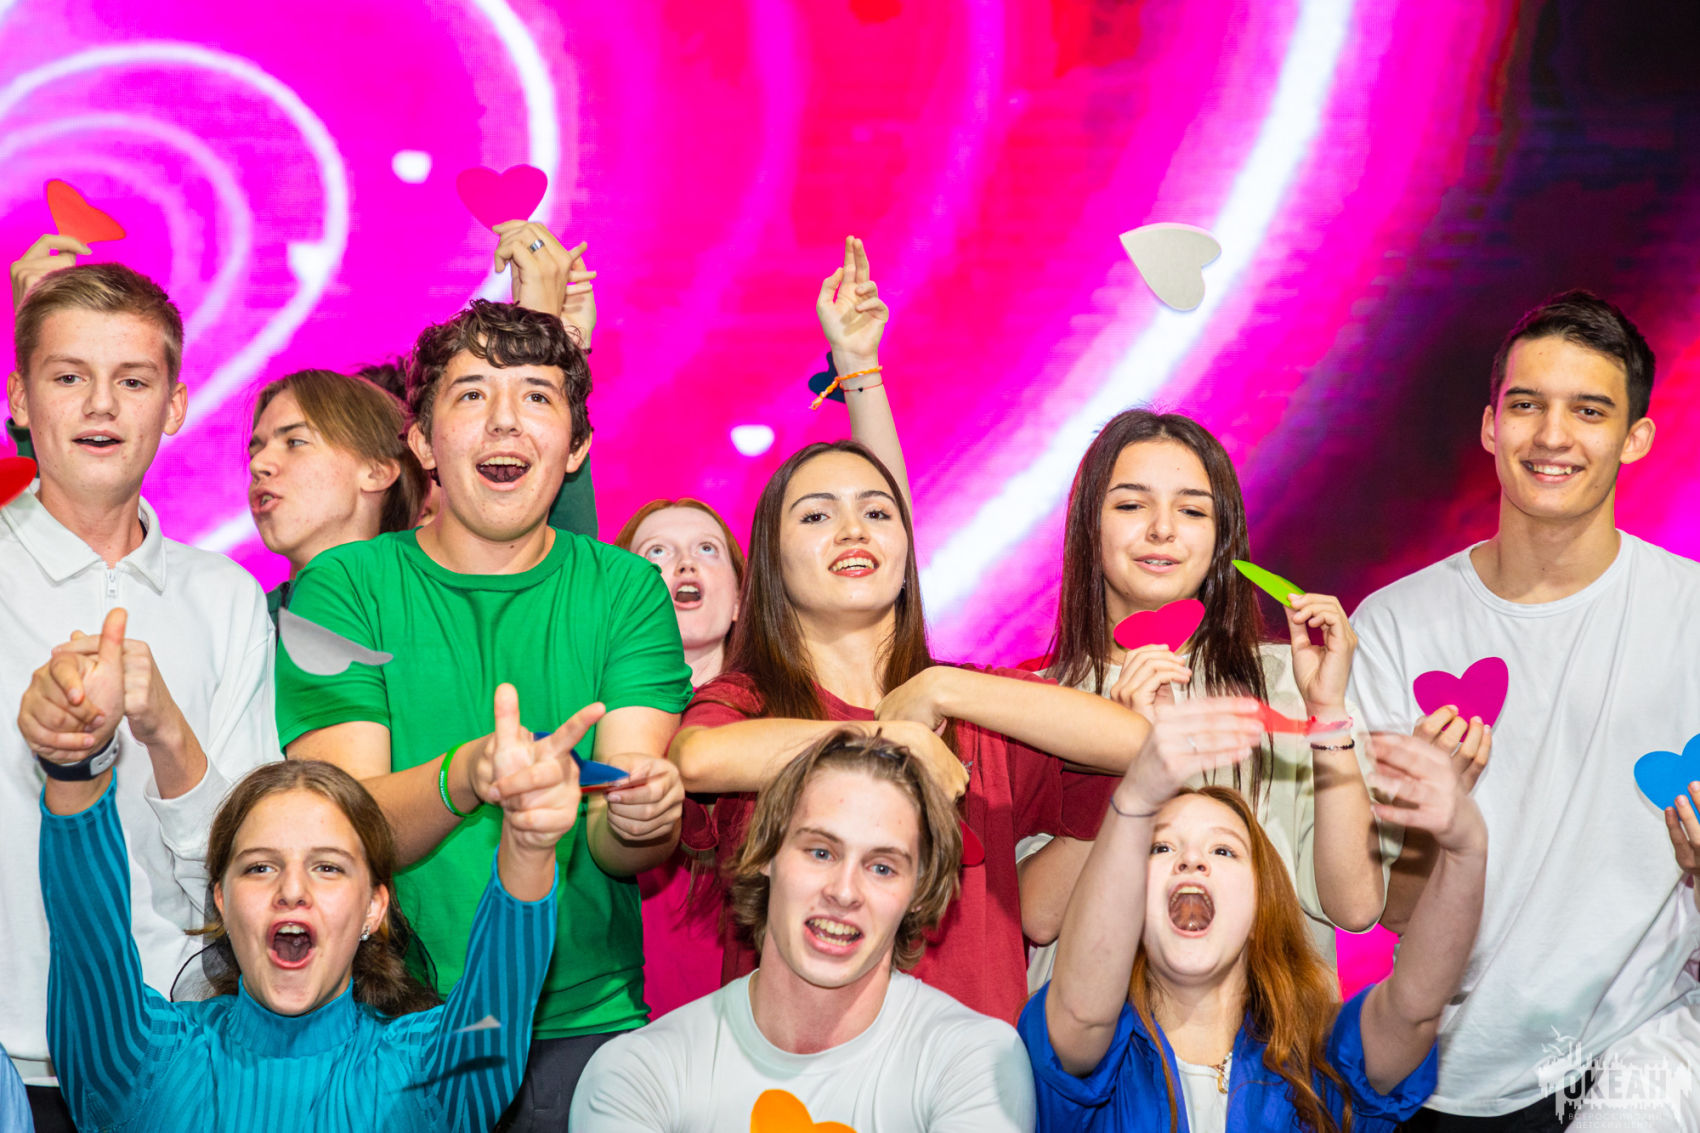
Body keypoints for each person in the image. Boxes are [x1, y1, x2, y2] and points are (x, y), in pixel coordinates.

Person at [275, 298, 692, 1128]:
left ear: (575, 447)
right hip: (388, 1021)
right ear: (423, 443)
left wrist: (645, 814)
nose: (505, 419)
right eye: (472, 395)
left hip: (580, 1025)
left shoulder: (627, 590)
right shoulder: (342, 588)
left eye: (536, 395)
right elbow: (344, 831)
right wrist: (467, 774)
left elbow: (620, 840)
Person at [1350, 291, 1700, 1129]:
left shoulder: (1688, 614)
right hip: (1443, 1058)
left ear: (1636, 437)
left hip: (1639, 1039)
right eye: (1527, 405)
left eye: (1589, 410)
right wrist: (1434, 821)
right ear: (1489, 425)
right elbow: (1390, 909)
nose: (1552, 435)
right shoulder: (1395, 627)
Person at [41, 675, 584, 1132]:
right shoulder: (147, 1062)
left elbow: (498, 1004)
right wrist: (73, 765)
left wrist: (529, 845)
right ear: (222, 902)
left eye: (327, 867)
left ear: (373, 908)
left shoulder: (427, 1073)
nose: (292, 889)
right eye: (260, 867)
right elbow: (87, 943)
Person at [5, 248, 278, 1131]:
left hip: (175, 1052)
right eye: (68, 377)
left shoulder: (225, 597)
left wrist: (167, 734)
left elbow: (252, 866)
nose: (100, 404)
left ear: (175, 405)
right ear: (19, 398)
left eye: (131, 380)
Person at [1018, 410, 1390, 987]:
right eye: (1131, 505)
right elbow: (1039, 918)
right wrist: (1133, 759)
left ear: (1221, 539)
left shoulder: (1290, 681)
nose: (1163, 529)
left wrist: (1326, 716)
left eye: (1192, 511)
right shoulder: (1040, 701)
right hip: (1096, 1034)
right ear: (1089, 527)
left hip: (1269, 1033)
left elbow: (1357, 906)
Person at [1020, 698, 1487, 1132]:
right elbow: (1082, 1012)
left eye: (1223, 850)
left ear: (1260, 902)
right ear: (1126, 904)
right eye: (1160, 847)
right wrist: (1133, 803)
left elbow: (1413, 1010)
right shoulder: (1092, 1050)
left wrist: (1465, 852)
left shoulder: (1322, 1056)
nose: (1191, 860)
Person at [572, 729, 1037, 1131]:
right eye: (820, 852)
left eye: (882, 867)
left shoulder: (975, 1063)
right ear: (766, 853)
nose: (844, 891)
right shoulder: (639, 1073)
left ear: (919, 890)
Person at [247, 368, 428, 620]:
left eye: (295, 442)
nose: (257, 464)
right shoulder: (241, 628)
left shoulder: (435, 619)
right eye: (255, 451)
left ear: (376, 473)